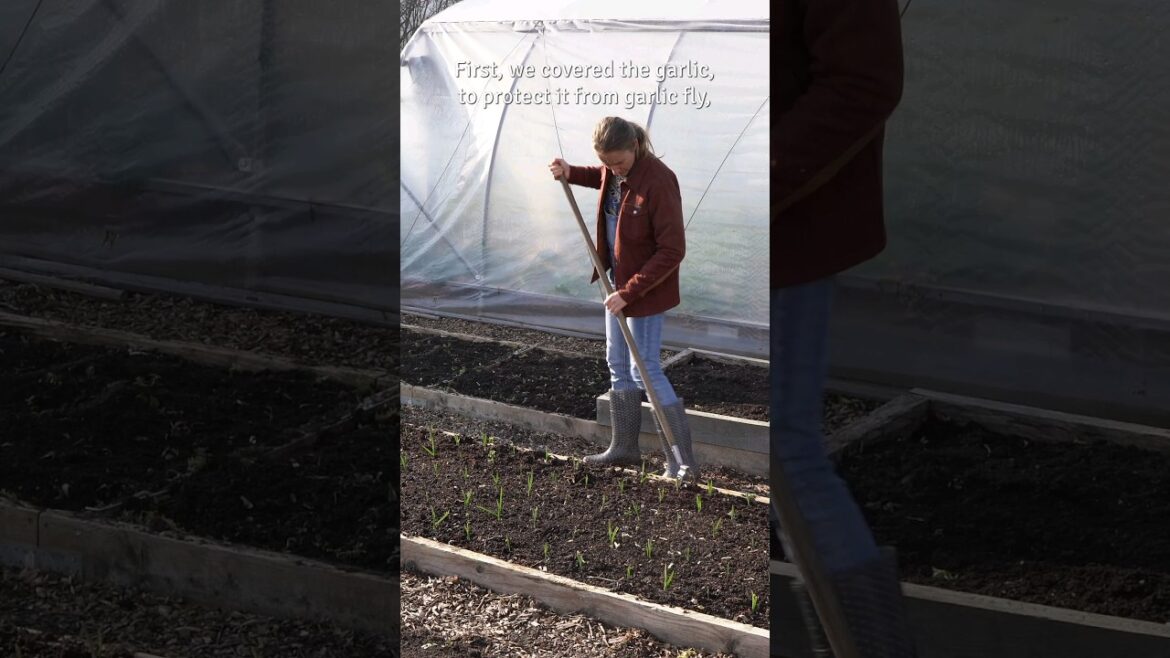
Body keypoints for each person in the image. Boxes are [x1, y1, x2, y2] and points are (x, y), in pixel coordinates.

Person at [773, 0, 915, 655]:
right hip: (717, 228)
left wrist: (752, 182)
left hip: (783, 230)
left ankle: (873, 645)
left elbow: (863, 83)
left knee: (786, 452)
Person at [548, 116, 699, 480]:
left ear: (635, 147)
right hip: (615, 284)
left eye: (619, 162)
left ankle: (681, 462)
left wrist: (628, 294)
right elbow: (597, 176)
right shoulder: (612, 171)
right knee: (617, 363)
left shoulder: (659, 181)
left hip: (644, 292)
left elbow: (672, 250)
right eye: (607, 163)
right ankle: (625, 448)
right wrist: (570, 171)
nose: (613, 170)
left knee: (644, 368)